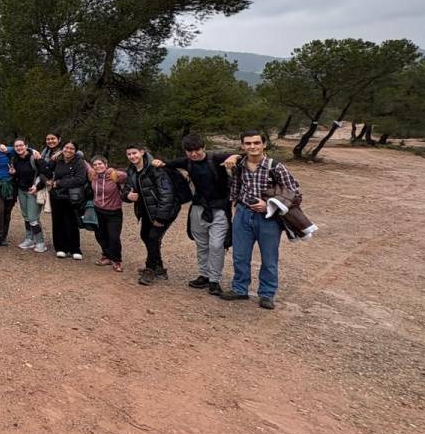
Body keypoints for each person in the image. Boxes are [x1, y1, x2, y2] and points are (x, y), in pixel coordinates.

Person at [220, 130, 302, 309]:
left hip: (268, 218)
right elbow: (234, 189)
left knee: (269, 257)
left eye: (256, 143)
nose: (252, 147)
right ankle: (239, 289)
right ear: (243, 146)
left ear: (264, 145)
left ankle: (267, 294)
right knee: (240, 255)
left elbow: (295, 193)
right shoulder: (239, 165)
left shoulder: (275, 167)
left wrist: (269, 205)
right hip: (243, 213)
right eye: (248, 143)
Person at [152, 134, 234, 296]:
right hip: (198, 207)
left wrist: (235, 157)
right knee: (201, 243)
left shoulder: (216, 158)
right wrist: (158, 161)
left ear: (203, 147)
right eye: (189, 151)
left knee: (217, 245)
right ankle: (204, 275)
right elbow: (167, 164)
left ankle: (214, 280)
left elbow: (244, 156)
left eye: (196, 150)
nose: (194, 154)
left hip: (219, 208)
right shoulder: (187, 162)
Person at [124, 145, 179, 286]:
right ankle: (159, 267)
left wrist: (161, 218)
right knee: (145, 236)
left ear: (142, 152)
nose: (132, 156)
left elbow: (167, 194)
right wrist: (128, 196)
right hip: (147, 211)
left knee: (153, 237)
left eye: (134, 153)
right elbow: (125, 190)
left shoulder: (155, 169)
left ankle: (150, 269)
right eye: (129, 154)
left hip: (163, 211)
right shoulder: (131, 171)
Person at [46, 141, 88, 260]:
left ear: (75, 150)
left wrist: (58, 183)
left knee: (71, 222)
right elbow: (47, 170)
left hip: (72, 197)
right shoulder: (58, 160)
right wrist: (53, 159)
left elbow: (80, 179)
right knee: (57, 222)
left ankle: (74, 248)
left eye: (71, 148)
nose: (68, 150)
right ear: (62, 148)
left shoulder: (79, 162)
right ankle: (60, 248)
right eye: (66, 147)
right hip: (56, 196)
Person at [87, 156, 125, 273]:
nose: (98, 166)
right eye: (95, 165)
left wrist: (113, 171)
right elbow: (82, 162)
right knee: (100, 235)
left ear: (106, 164)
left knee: (114, 237)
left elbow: (127, 175)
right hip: (98, 210)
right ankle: (106, 256)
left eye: (100, 164)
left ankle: (116, 260)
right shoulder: (93, 176)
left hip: (114, 211)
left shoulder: (114, 175)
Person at [11, 138, 49, 252]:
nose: (19, 148)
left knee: (33, 217)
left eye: (21, 145)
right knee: (26, 216)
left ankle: (40, 242)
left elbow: (47, 173)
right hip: (21, 190)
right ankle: (29, 239)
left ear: (26, 146)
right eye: (16, 146)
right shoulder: (16, 159)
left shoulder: (35, 158)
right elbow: (20, 174)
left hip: (33, 191)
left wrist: (37, 187)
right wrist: (14, 173)